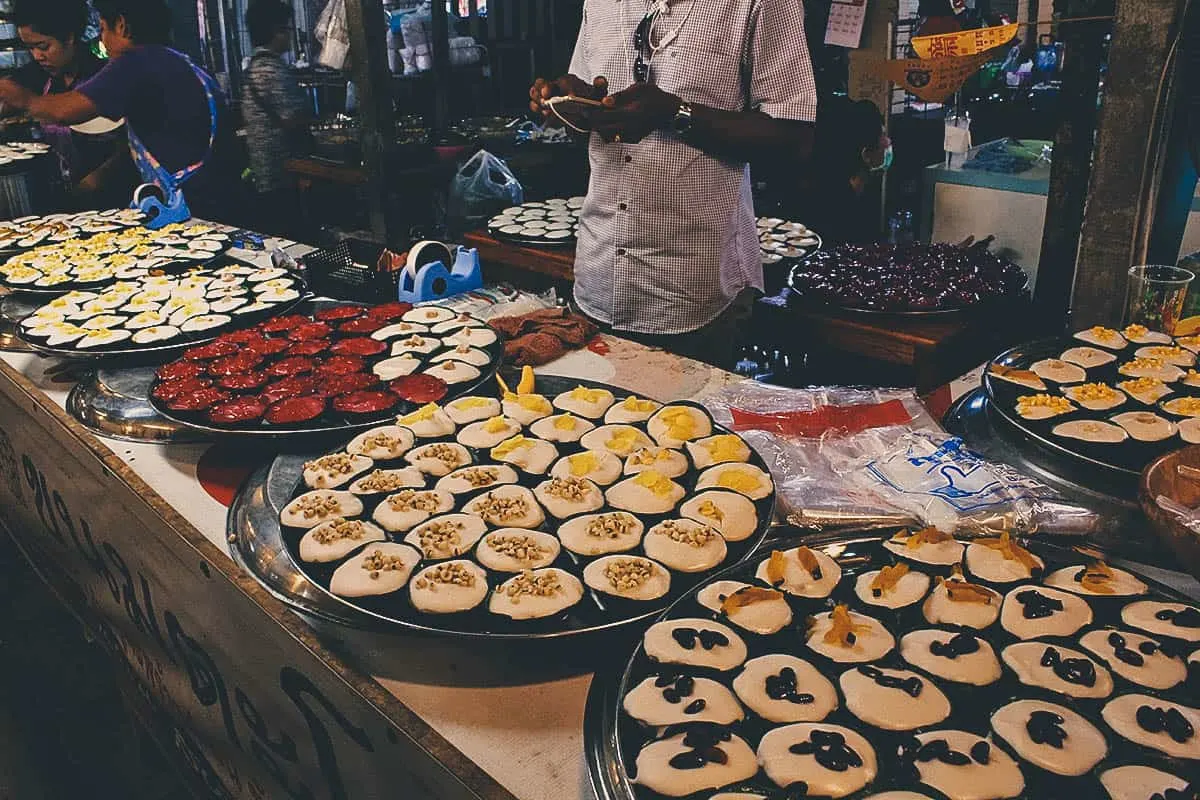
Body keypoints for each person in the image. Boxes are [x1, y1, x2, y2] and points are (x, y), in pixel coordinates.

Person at [529, 0, 816, 369]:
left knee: (686, 423)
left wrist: (673, 114)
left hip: (695, 291)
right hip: (598, 278)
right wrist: (573, 104)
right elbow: (595, 120)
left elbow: (794, 138)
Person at [0, 0, 242, 223]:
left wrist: (22, 97)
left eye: (104, 29)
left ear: (122, 25)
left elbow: (65, 111)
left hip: (194, 209)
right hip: (223, 200)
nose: (103, 42)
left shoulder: (134, 64)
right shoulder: (179, 61)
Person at [8, 0, 132, 207]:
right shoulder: (36, 77)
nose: (38, 56)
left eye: (43, 46)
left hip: (115, 201)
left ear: (70, 38)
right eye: (30, 48)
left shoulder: (106, 77)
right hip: (60, 203)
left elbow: (131, 144)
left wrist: (96, 180)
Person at [242, 0, 309, 238]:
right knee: (292, 235)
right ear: (276, 31)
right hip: (280, 172)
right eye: (287, 29)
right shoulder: (272, 68)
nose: (290, 36)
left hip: (263, 172)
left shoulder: (254, 66)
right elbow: (293, 118)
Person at [800, 96, 891, 245]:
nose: (888, 142)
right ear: (865, 154)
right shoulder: (841, 215)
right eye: (883, 136)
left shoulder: (841, 191)